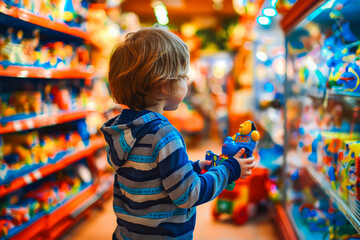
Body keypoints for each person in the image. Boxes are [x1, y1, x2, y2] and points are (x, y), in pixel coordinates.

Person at [100, 27, 256, 240]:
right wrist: (230, 170)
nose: (186, 82)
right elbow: (188, 194)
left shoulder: (123, 129)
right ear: (164, 87)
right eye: (183, 76)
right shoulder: (164, 135)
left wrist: (192, 168)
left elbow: (149, 176)